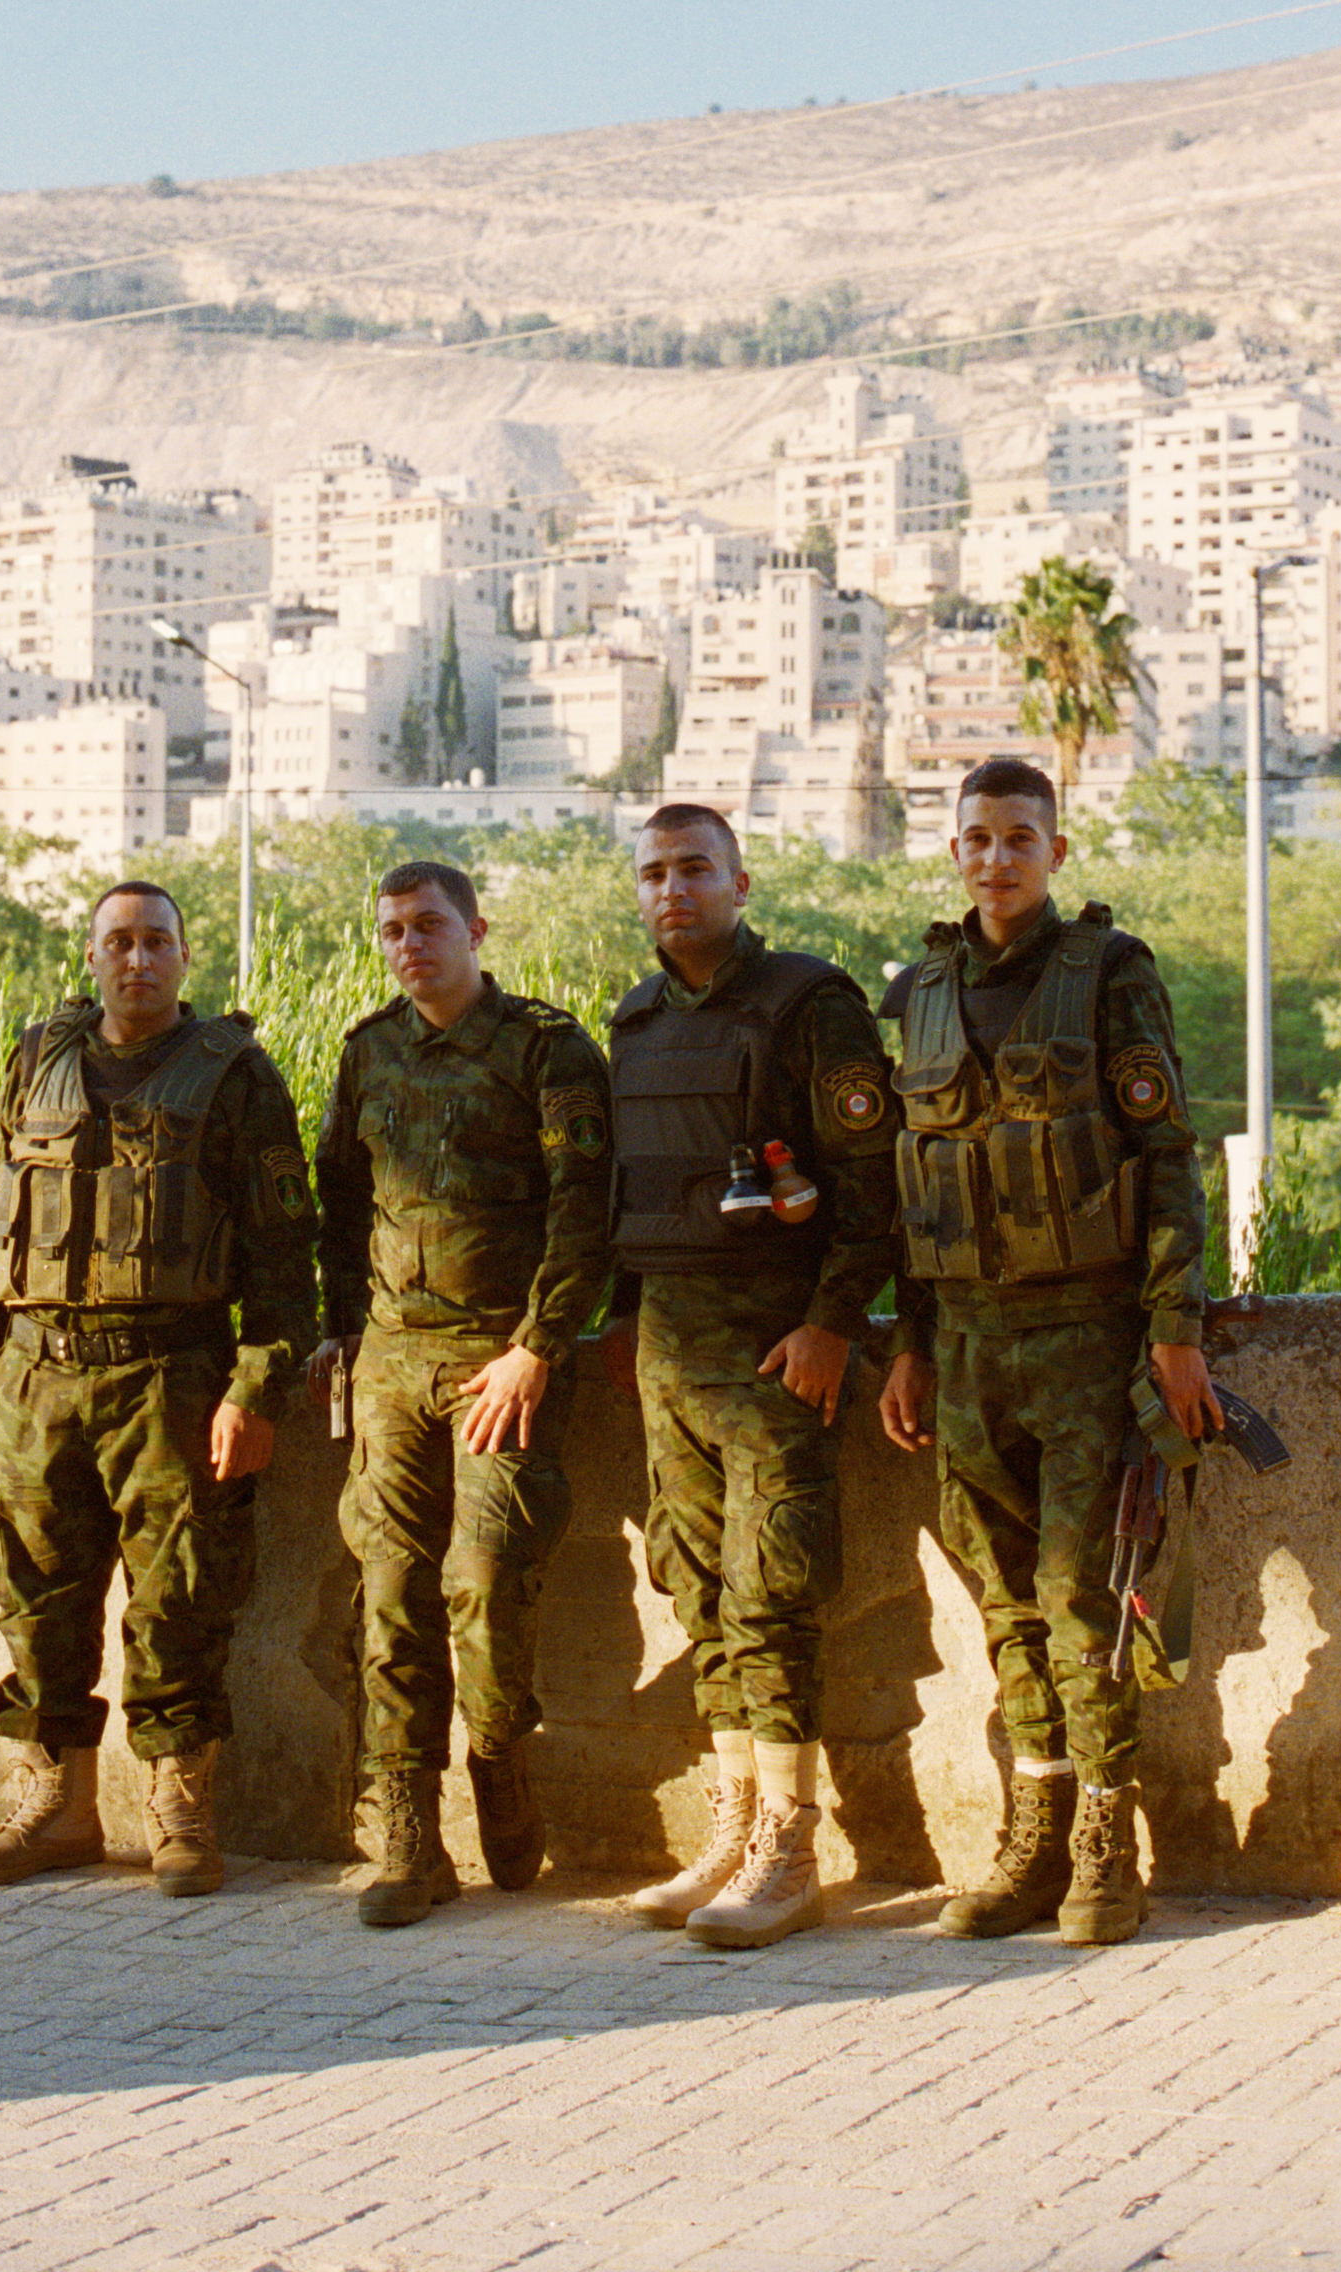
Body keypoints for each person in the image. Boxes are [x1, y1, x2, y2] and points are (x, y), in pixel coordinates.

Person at [877, 757, 1215, 1947]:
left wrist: (1176, 1332)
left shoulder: (1111, 975)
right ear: (954, 850)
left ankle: (1104, 1848)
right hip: (964, 1343)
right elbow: (908, 1192)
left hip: (1085, 1336)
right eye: (978, 838)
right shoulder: (919, 989)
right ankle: (1033, 1830)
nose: (997, 858)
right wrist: (911, 1350)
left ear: (1055, 852)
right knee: (1003, 1605)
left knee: (1083, 1599)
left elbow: (1168, 1156)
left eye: (1022, 837)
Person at [0, 881, 316, 1897]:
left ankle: (181, 1810)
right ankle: (56, 1806)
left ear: (185, 960)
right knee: (33, 1596)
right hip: (36, 1377)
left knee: (180, 1598)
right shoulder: (37, 1060)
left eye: (156, 942)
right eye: (119, 942)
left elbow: (285, 1255)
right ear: (92, 957)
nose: (137, 959)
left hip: (172, 1377)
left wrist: (259, 1387)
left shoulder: (235, 1077)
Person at [602, 803, 902, 1951]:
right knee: (700, 1592)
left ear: (740, 881)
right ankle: (731, 1830)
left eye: (694, 870)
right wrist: (630, 1336)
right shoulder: (635, 1021)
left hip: (777, 1347)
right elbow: (632, 1196)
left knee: (772, 1587)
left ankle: (790, 1847)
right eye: (654, 873)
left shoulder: (807, 1005)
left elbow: (871, 1190)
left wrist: (832, 1325)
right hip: (671, 1352)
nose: (672, 889)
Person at [314, 859, 613, 1929]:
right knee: (390, 1594)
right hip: (394, 1362)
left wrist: (539, 1346)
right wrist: (341, 1328)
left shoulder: (545, 1049)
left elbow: (586, 1210)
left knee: (484, 1575)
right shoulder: (369, 1053)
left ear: (475, 929)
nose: (409, 945)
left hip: (504, 1357)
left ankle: (497, 1752)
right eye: (391, 929)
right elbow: (339, 1199)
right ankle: (408, 1831)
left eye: (429, 924)